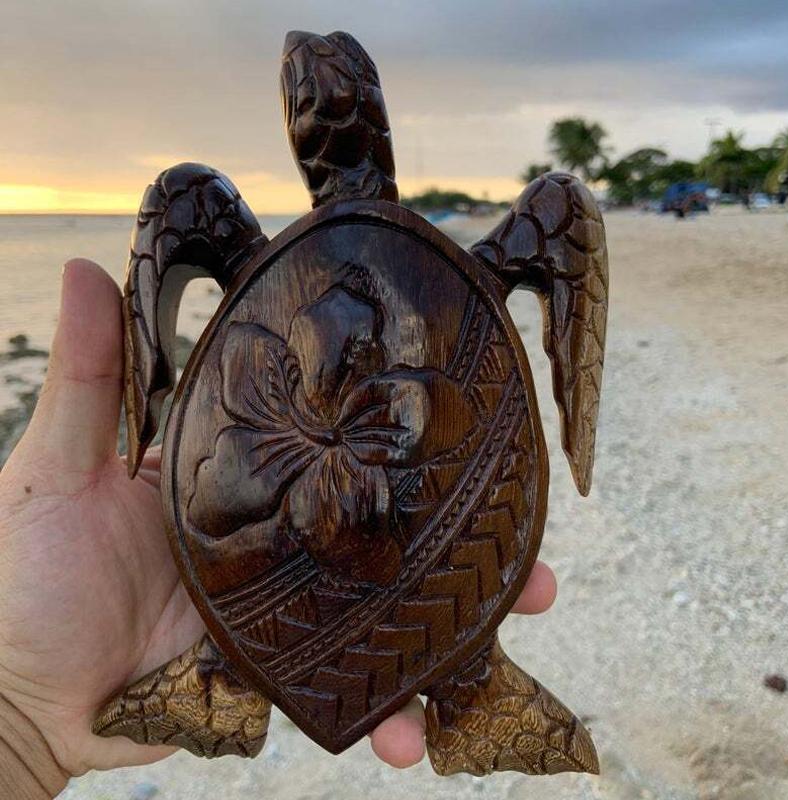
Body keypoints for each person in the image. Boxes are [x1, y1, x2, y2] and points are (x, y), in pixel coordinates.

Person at [0, 259, 558, 798]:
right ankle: (465, 692)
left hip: (312, 472)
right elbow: (223, 493)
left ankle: (461, 688)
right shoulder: (253, 365)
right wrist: (20, 721)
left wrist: (22, 727)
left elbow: (437, 419)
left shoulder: (356, 403)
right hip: (298, 477)